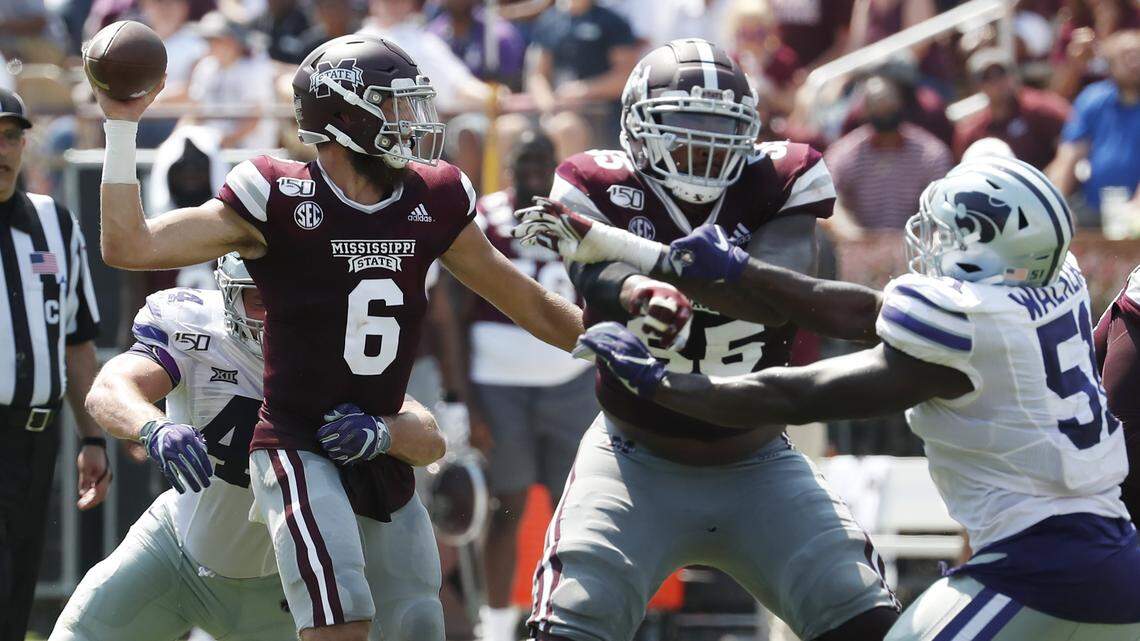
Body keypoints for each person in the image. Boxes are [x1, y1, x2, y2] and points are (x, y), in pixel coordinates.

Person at [89, 33, 583, 641]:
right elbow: (129, 246)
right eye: (397, 105)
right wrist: (120, 127)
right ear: (344, 116)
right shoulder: (277, 194)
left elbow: (527, 300)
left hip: (382, 441)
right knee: (341, 620)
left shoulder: (434, 195)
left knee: (417, 623)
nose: (416, 121)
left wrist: (617, 352)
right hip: (298, 443)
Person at [527, 156, 1140, 640]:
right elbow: (859, 310)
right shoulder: (1053, 285)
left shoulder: (965, 322)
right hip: (1114, 550)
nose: (928, 245)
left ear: (980, 245)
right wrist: (691, 262)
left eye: (947, 233)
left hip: (1039, 565)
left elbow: (793, 393)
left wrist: (662, 384)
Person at [512, 38, 899, 641]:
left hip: (759, 460)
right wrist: (635, 289)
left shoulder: (780, 176)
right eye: (683, 125)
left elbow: (775, 293)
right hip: (630, 459)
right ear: (637, 130)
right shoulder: (595, 180)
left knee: (862, 615)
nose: (703, 145)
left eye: (718, 127)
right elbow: (596, 279)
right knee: (570, 623)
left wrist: (641, 259)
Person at [50, 255, 446, 641]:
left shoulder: (338, 346)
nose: (276, 313)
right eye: (260, 299)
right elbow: (109, 388)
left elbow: (429, 438)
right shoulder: (197, 331)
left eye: (288, 297)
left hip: (280, 588)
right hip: (175, 553)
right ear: (228, 294)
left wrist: (383, 431)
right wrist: (152, 427)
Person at [466, 130, 598, 641]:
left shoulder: (574, 221)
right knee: (507, 504)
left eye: (545, 162)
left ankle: (569, 622)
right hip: (500, 386)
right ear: (509, 167)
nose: (535, 173)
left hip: (571, 381)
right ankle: (495, 626)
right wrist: (465, 399)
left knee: (579, 507)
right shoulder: (483, 218)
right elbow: (452, 314)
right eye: (526, 161)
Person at [0, 87, 108, 641]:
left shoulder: (54, 223)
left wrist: (93, 437)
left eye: (12, 135)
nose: (3, 149)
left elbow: (76, 342)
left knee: (17, 590)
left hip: (34, 439)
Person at [825, 72, 953, 236]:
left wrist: (917, 235)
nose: (884, 112)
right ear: (865, 111)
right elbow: (827, 197)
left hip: (916, 246)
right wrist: (852, 233)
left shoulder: (930, 153)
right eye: (877, 107)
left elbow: (943, 202)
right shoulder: (845, 152)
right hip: (861, 247)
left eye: (889, 106)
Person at [1047, 30, 1140, 223]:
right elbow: (1069, 155)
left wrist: (1135, 210)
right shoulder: (1092, 99)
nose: (1134, 62)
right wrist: (1055, 205)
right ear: (1110, 63)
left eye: (1138, 54)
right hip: (1094, 208)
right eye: (1126, 56)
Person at [952, 48, 1070, 170]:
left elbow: (1070, 146)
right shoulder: (972, 132)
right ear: (977, 86)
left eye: (1001, 73)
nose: (996, 82)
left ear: (1013, 75)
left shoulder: (1041, 108)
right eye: (987, 77)